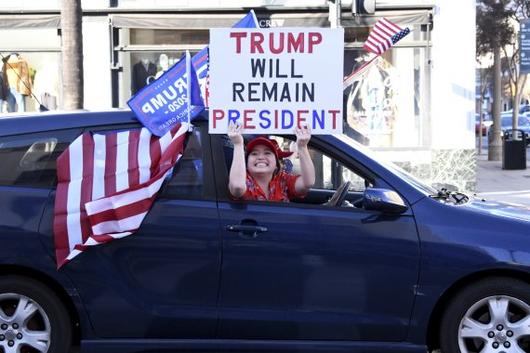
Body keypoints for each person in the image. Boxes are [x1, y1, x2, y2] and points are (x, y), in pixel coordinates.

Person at [228, 122, 315, 202]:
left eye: (267, 153)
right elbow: (237, 186)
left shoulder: (283, 181)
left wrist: (302, 147)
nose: (261, 157)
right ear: (246, 164)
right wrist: (238, 144)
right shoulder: (242, 181)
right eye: (254, 154)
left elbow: (308, 182)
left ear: (276, 165)